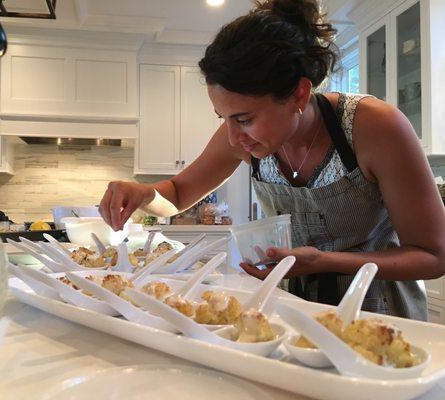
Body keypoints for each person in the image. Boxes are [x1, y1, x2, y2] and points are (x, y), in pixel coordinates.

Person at [99, 0, 445, 320]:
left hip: (379, 314)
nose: (234, 138)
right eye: (224, 118)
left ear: (299, 92)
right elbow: (175, 196)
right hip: (291, 312)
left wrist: (323, 262)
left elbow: (433, 256)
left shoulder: (373, 128)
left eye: (245, 119)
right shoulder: (242, 139)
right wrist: (145, 194)